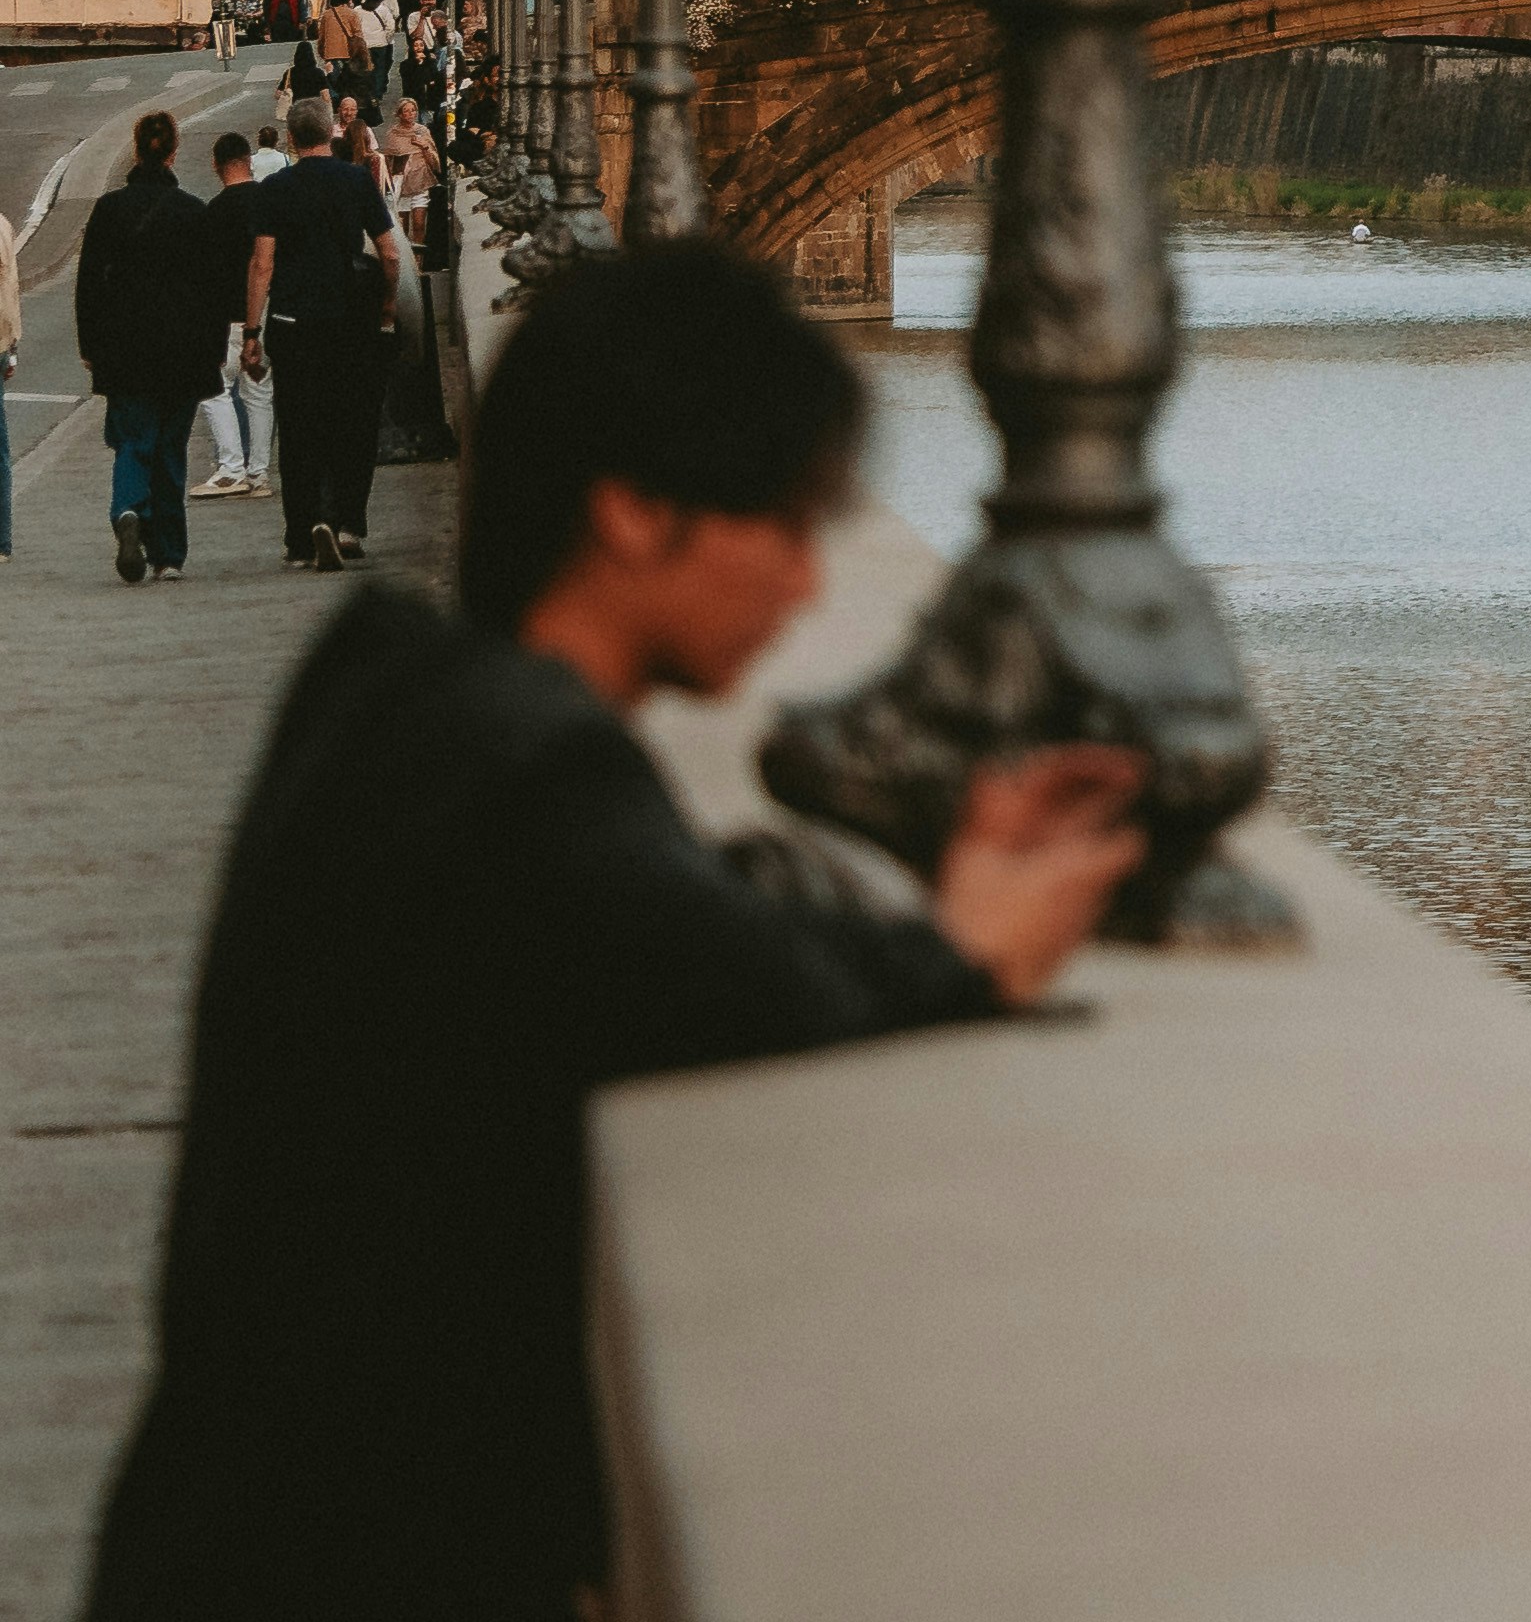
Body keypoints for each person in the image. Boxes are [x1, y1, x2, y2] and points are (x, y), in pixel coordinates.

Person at [82, 233, 1141, 1622]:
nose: (812, 586)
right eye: (786, 520)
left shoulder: (394, 686)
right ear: (638, 508)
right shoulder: (530, 771)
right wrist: (974, 950)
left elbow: (651, 921)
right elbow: (743, 976)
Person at [230, 112, 394, 569]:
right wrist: (386, 308)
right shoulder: (357, 180)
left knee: (299, 426)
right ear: (328, 134)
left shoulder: (274, 190)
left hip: (291, 320)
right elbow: (391, 252)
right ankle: (347, 523)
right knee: (352, 422)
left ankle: (303, 533)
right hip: (349, 319)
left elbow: (262, 265)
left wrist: (251, 332)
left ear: (290, 139)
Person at [78, 113, 229, 582]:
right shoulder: (193, 211)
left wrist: (91, 346)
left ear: (136, 149)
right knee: (170, 451)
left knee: (132, 442)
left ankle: (127, 510)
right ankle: (168, 554)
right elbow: (214, 290)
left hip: (125, 350)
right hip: (182, 351)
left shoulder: (108, 209)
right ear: (173, 152)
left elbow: (88, 286)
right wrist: (215, 348)